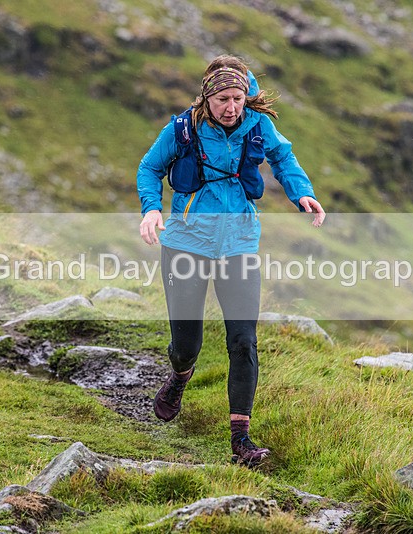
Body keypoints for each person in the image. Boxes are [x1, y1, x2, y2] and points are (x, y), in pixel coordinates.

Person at [137, 55, 325, 466]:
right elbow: (149, 168)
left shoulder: (258, 125)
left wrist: (301, 192)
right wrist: (151, 208)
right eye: (223, 99)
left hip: (239, 243)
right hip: (186, 243)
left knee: (243, 341)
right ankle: (180, 377)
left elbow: (283, 159)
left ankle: (241, 440)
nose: (232, 107)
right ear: (208, 99)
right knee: (187, 345)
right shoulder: (183, 129)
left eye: (238, 98)